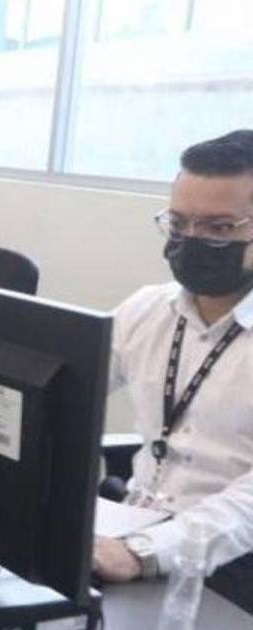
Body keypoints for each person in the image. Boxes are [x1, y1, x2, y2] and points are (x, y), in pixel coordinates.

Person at [93, 130, 253, 595]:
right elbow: (65, 380)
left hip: (231, 562)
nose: (191, 240)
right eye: (179, 224)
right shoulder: (149, 308)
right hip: (131, 527)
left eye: (219, 228)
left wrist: (144, 552)